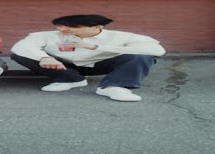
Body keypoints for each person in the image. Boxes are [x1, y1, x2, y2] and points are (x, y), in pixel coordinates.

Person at [11, 14, 165, 102]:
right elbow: (20, 47)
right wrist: (43, 57)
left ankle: (114, 87)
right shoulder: (46, 35)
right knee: (20, 54)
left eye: (70, 27)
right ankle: (71, 80)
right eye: (59, 26)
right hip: (63, 66)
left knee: (142, 56)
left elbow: (156, 49)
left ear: (98, 27)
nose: (62, 30)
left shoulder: (120, 36)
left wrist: (97, 47)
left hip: (100, 64)